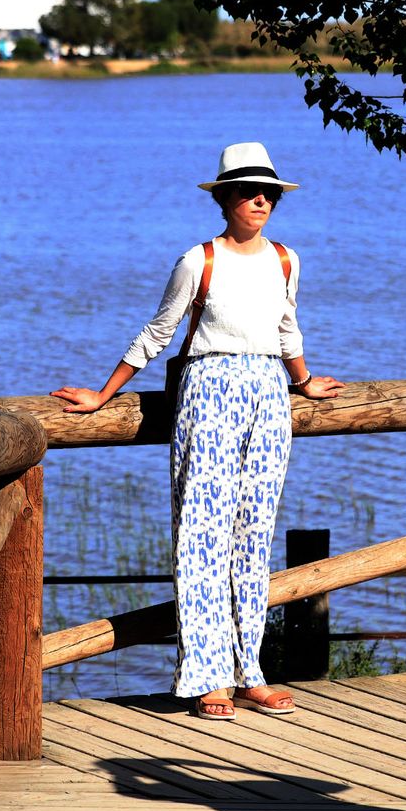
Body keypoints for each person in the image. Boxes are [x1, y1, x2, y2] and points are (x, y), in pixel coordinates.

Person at [53, 142, 345, 721]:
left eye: (268, 193)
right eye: (248, 192)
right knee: (202, 534)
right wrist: (103, 394)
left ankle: (249, 672)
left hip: (269, 394)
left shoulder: (286, 260)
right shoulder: (199, 260)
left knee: (253, 533)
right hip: (208, 391)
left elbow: (287, 328)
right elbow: (158, 332)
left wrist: (305, 381)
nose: (260, 200)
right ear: (225, 199)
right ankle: (207, 676)